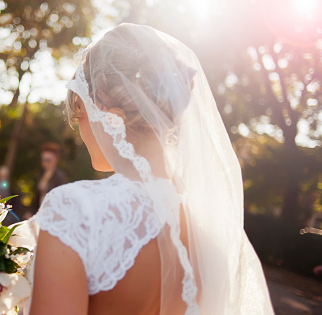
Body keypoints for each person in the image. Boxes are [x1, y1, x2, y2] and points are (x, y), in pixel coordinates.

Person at [22, 24, 273, 314]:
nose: (78, 125)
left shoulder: (77, 210)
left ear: (110, 116)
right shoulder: (213, 244)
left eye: (80, 109)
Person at [29, 143, 68, 216]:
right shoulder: (41, 174)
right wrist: (30, 212)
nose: (45, 163)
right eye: (43, 160)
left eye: (48, 160)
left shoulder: (60, 177)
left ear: (56, 160)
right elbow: (36, 197)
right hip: (39, 213)